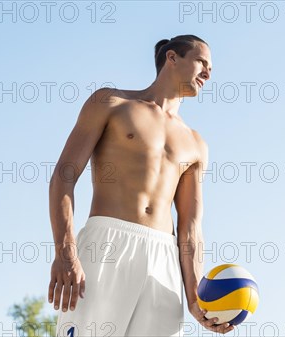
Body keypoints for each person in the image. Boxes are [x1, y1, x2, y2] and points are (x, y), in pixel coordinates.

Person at [48, 34, 234, 336]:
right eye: (202, 62)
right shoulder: (111, 102)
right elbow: (63, 178)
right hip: (107, 244)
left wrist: (194, 297)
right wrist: (66, 253)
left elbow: (190, 227)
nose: (209, 73)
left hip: (163, 258)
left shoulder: (196, 144)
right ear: (172, 58)